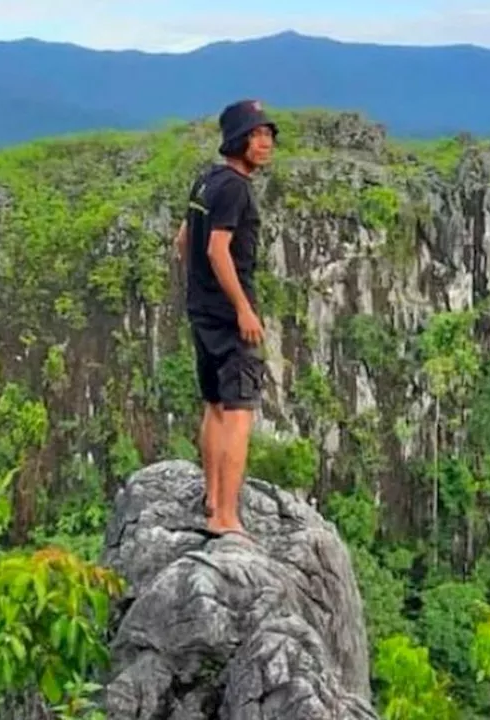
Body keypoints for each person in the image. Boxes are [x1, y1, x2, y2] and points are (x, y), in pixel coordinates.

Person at [173, 99, 277, 541]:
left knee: (214, 405)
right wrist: (242, 308)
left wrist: (204, 292)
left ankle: (213, 500)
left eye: (269, 135)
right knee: (238, 415)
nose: (265, 143)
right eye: (256, 135)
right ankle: (225, 519)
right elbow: (217, 249)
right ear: (237, 139)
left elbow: (182, 241)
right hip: (229, 320)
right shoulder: (235, 187)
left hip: (201, 312)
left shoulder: (206, 180)